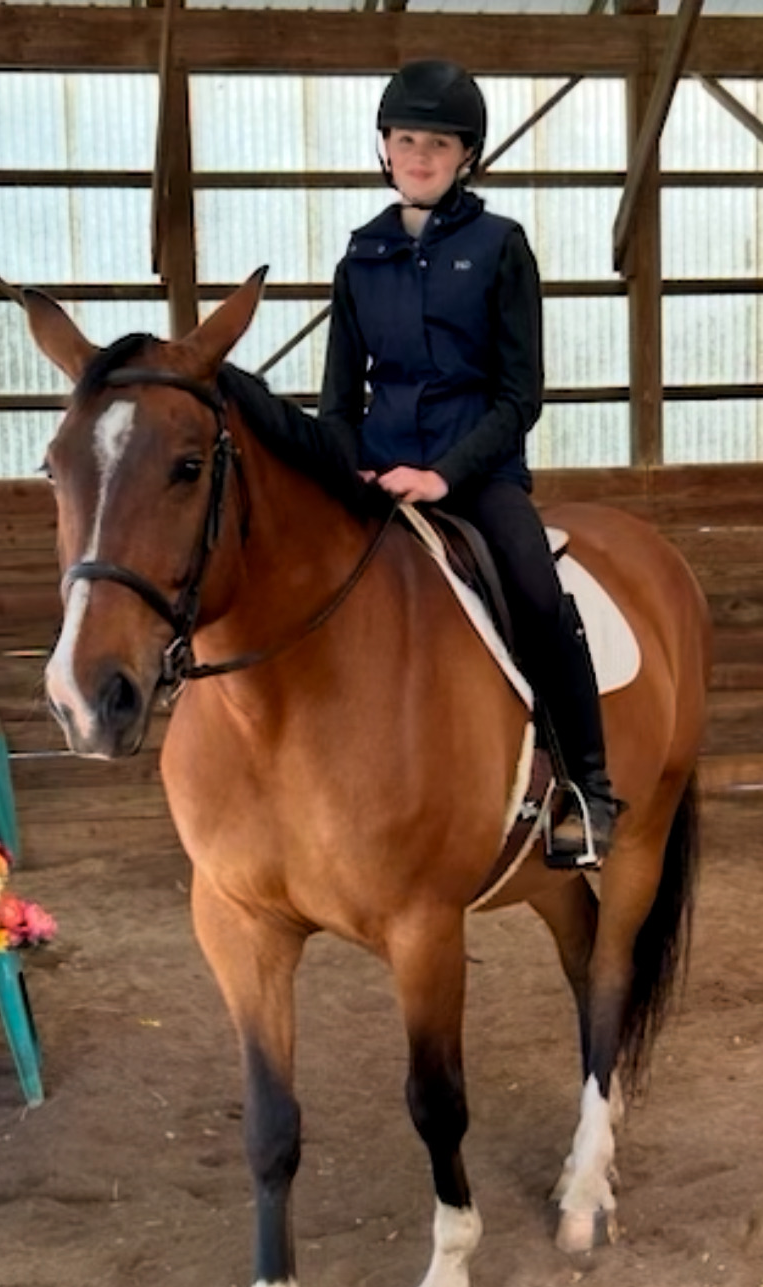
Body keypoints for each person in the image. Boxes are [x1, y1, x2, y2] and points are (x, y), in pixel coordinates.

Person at [318, 58, 621, 867]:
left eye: (438, 142)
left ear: (466, 156)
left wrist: (444, 475)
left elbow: (521, 396)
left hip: (476, 476)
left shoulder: (500, 248)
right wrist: (349, 468)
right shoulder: (360, 257)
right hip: (377, 475)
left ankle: (587, 790)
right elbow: (339, 398)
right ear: (384, 147)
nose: (419, 154)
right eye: (406, 138)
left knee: (534, 586)